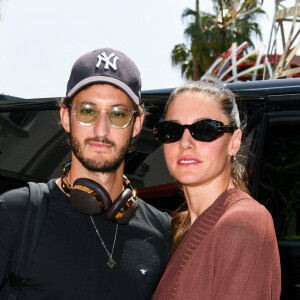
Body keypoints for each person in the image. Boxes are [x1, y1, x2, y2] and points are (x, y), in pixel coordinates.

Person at [0, 48, 171, 300]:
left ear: (137, 124)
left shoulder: (162, 234)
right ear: (66, 117)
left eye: (118, 114)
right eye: (88, 111)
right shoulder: (15, 213)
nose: (101, 130)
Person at [153, 81, 281, 300]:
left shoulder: (242, 223)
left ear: (234, 142)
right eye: (172, 131)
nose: (185, 143)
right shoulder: (178, 227)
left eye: (205, 129)